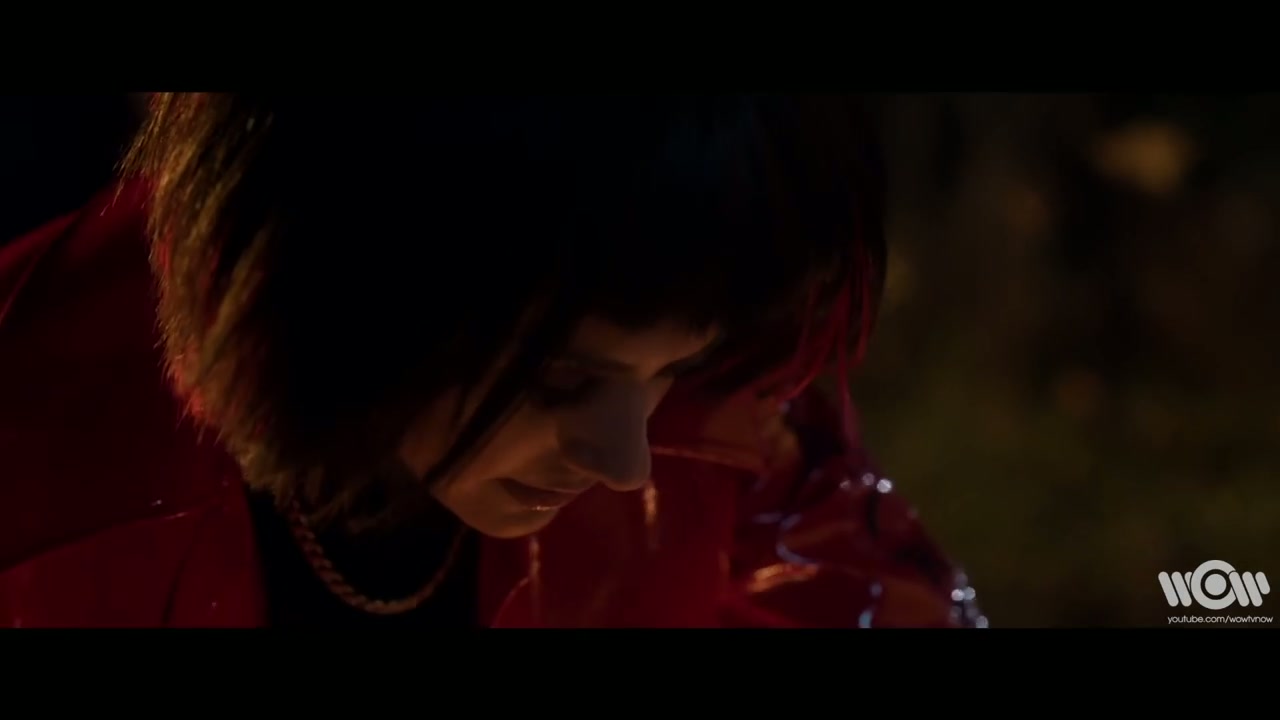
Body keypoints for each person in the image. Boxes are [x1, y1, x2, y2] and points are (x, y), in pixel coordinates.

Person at [0, 94, 986, 627]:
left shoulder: (715, 384)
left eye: (674, 370)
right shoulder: (46, 491)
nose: (627, 462)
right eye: (562, 381)